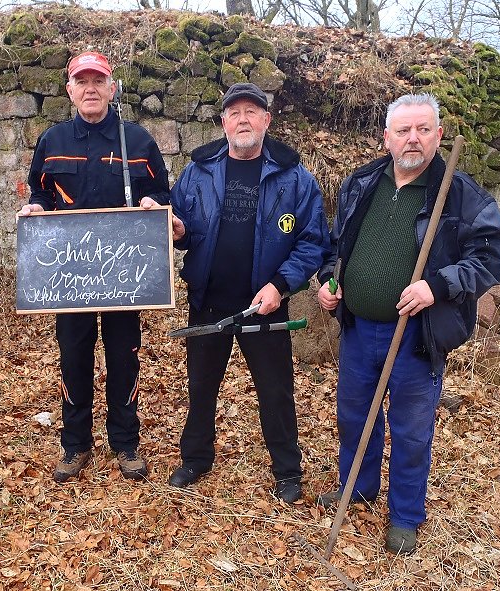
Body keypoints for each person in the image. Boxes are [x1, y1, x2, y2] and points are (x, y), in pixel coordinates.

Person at [316, 93, 500, 553]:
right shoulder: (361, 183)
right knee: (354, 417)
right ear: (387, 137)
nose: (413, 138)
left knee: (410, 428)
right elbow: (336, 245)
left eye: (423, 129)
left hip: (416, 335)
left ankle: (405, 516)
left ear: (438, 135)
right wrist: (328, 280)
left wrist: (436, 286)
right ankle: (357, 488)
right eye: (403, 130)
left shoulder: (458, 194)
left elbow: (489, 256)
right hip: (358, 329)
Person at [168, 82, 331, 503]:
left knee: (275, 390)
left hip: (265, 305)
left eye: (252, 112)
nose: (243, 119)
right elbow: (179, 226)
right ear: (223, 123)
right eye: (235, 113)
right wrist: (178, 231)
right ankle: (196, 458)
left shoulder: (294, 178)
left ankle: (287, 470)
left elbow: (313, 241)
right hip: (208, 300)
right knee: (201, 385)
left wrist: (280, 285)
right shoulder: (198, 172)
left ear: (266, 120)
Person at [19, 51, 170, 482]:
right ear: (69, 90)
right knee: (73, 358)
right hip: (69, 276)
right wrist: (36, 208)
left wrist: (152, 203)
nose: (90, 89)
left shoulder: (137, 141)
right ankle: (75, 444)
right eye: (81, 81)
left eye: (98, 81)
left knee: (124, 358)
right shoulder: (52, 141)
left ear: (111, 88)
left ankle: (125, 442)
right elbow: (40, 192)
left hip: (123, 274)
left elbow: (162, 192)